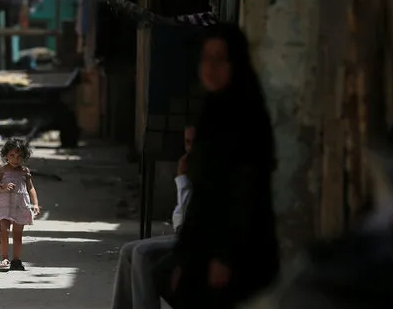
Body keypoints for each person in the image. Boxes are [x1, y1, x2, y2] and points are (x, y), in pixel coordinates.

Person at [171, 23, 280, 308]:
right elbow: (202, 194)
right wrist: (184, 256)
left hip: (237, 251)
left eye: (220, 60)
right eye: (206, 59)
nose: (211, 68)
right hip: (203, 245)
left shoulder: (247, 117)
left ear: (236, 64)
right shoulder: (209, 113)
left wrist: (225, 256)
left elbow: (246, 192)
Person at [112, 125, 195, 309]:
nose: (191, 148)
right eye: (187, 143)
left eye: (196, 143)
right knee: (127, 251)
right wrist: (182, 180)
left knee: (142, 254)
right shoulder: (191, 169)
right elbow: (179, 219)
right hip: (186, 235)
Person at [0, 138, 40, 271]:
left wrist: (36, 204)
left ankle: (16, 260)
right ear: (6, 155)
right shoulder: (2, 170)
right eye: (12, 155)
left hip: (20, 206)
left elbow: (31, 188)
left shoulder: (24, 171)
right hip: (4, 205)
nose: (15, 159)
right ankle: (4, 258)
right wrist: (2, 186)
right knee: (4, 231)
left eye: (19, 156)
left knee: (17, 234)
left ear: (24, 157)